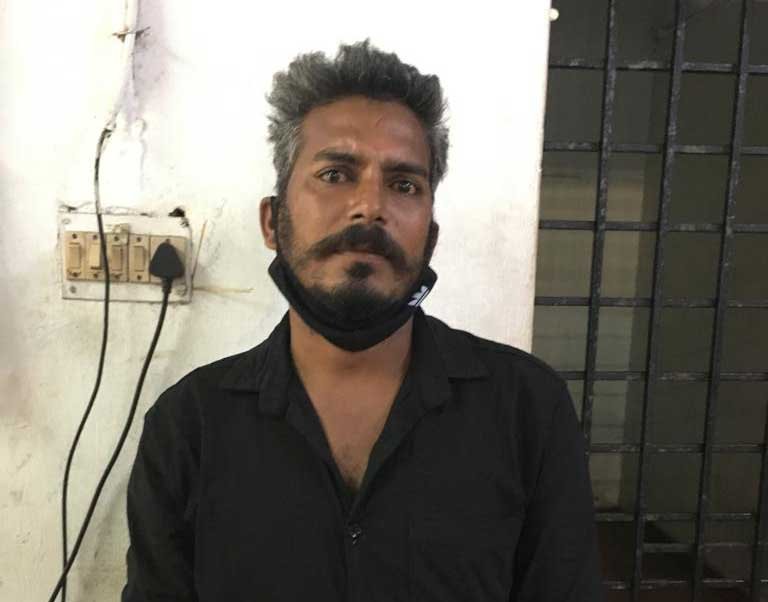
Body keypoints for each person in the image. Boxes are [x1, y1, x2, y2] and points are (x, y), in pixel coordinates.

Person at [122, 40, 604, 602]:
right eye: (335, 174)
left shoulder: (529, 410)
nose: (370, 206)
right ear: (273, 221)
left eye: (404, 185)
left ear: (430, 237)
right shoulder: (189, 427)